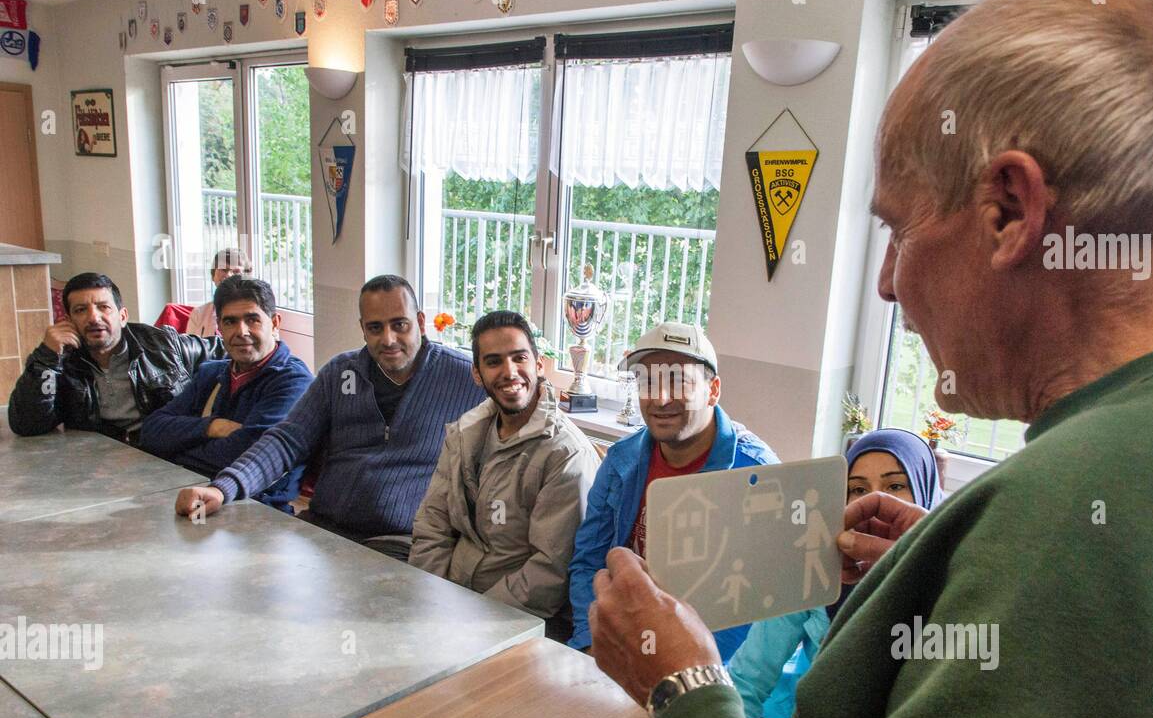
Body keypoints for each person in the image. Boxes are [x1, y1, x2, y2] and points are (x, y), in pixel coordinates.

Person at [586, 0, 1153, 718]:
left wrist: (688, 690)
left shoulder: (1070, 515)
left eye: (898, 228)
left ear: (1009, 210)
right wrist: (963, 575)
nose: (887, 284)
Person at [174, 275, 485, 559]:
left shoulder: (465, 377)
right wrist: (223, 487)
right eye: (375, 327)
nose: (388, 339)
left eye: (399, 325)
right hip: (322, 530)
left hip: (403, 544)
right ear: (363, 328)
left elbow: (522, 401)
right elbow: (287, 440)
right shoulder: (341, 373)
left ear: (420, 322)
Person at [567, 322, 778, 661]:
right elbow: (588, 561)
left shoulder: (757, 475)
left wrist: (690, 669)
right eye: (648, 382)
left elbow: (758, 609)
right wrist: (591, 641)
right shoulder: (622, 460)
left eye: (678, 381)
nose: (660, 399)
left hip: (703, 664)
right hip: (620, 643)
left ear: (713, 390)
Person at [727, 429, 943, 718]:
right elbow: (745, 682)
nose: (876, 501)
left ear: (923, 492)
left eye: (895, 485)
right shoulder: (814, 570)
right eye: (857, 489)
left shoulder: (950, 583)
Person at [409, 311, 601, 640]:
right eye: (494, 361)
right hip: (448, 604)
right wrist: (433, 601)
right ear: (477, 374)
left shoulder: (565, 454)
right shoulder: (464, 432)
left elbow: (548, 572)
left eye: (519, 358)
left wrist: (470, 623)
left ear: (539, 365)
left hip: (516, 624)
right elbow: (432, 526)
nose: (510, 373)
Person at [140, 277, 312, 511]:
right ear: (219, 327)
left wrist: (176, 447)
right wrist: (212, 427)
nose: (241, 332)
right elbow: (151, 431)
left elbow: (246, 455)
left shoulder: (294, 382)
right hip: (187, 493)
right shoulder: (211, 374)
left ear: (274, 323)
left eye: (252, 320)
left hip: (256, 509)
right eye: (230, 322)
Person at [7, 272, 220, 444]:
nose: (93, 317)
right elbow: (27, 424)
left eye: (103, 307)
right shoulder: (62, 362)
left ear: (123, 316)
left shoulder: (163, 344)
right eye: (81, 310)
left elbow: (227, 349)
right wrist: (46, 357)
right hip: (99, 462)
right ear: (68, 320)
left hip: (165, 452)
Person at [187, 249, 252, 337]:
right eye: (223, 270)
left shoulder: (258, 313)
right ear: (213, 276)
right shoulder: (198, 314)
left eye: (236, 271)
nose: (228, 275)